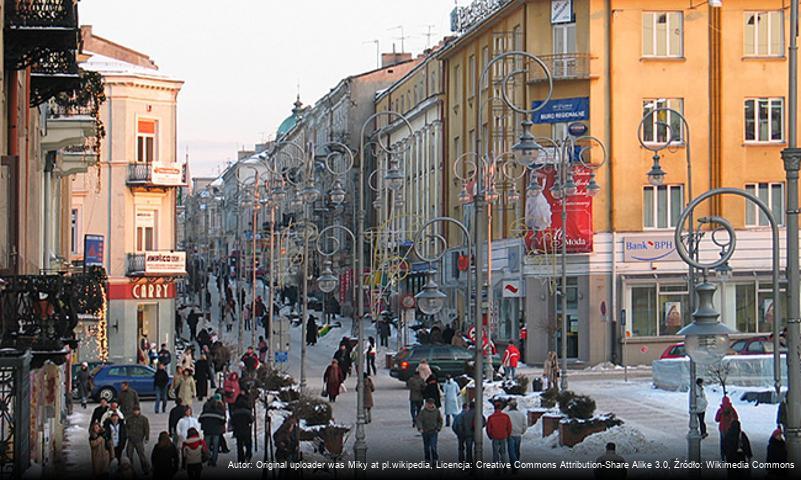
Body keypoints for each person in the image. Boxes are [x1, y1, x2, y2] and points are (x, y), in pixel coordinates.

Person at [198, 394, 226, 467]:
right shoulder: (219, 411)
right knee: (215, 446)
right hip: (216, 431)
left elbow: (200, 419)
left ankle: (207, 457)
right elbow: (223, 420)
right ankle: (213, 461)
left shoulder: (205, 411)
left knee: (206, 446)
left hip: (207, 430)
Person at [125, 406, 151, 475]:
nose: (136, 412)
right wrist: (128, 434)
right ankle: (131, 470)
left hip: (139, 439)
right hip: (131, 440)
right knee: (129, 455)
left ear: (139, 411)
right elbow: (126, 427)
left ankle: (146, 469)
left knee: (141, 456)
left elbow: (146, 428)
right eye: (134, 410)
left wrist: (147, 437)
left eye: (137, 410)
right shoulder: (129, 419)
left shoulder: (144, 419)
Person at [416, 398, 443, 462]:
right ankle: (427, 459)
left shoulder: (436, 411)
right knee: (426, 447)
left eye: (431, 404)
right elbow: (419, 420)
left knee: (433, 446)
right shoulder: (423, 412)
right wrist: (420, 428)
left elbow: (440, 420)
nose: (430, 405)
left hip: (434, 431)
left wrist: (438, 428)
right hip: (425, 431)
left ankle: (435, 459)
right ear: (426, 404)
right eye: (429, 404)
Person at [231, 394, 254, 462]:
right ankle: (248, 454)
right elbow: (251, 420)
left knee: (239, 444)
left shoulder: (235, 412)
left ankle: (241, 458)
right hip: (246, 429)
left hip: (238, 430)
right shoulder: (247, 411)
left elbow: (232, 422)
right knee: (248, 443)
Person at [715, 395, 739, 461]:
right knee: (730, 442)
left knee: (723, 442)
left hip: (722, 429)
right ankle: (729, 454)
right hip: (730, 429)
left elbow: (717, 419)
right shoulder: (732, 409)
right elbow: (736, 418)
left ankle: (723, 456)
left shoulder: (720, 410)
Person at [507, 399, 527, 469]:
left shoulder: (507, 414)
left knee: (511, 451)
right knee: (517, 450)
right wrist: (522, 431)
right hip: (518, 434)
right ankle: (516, 463)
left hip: (510, 434)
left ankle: (514, 464)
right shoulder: (521, 414)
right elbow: (524, 424)